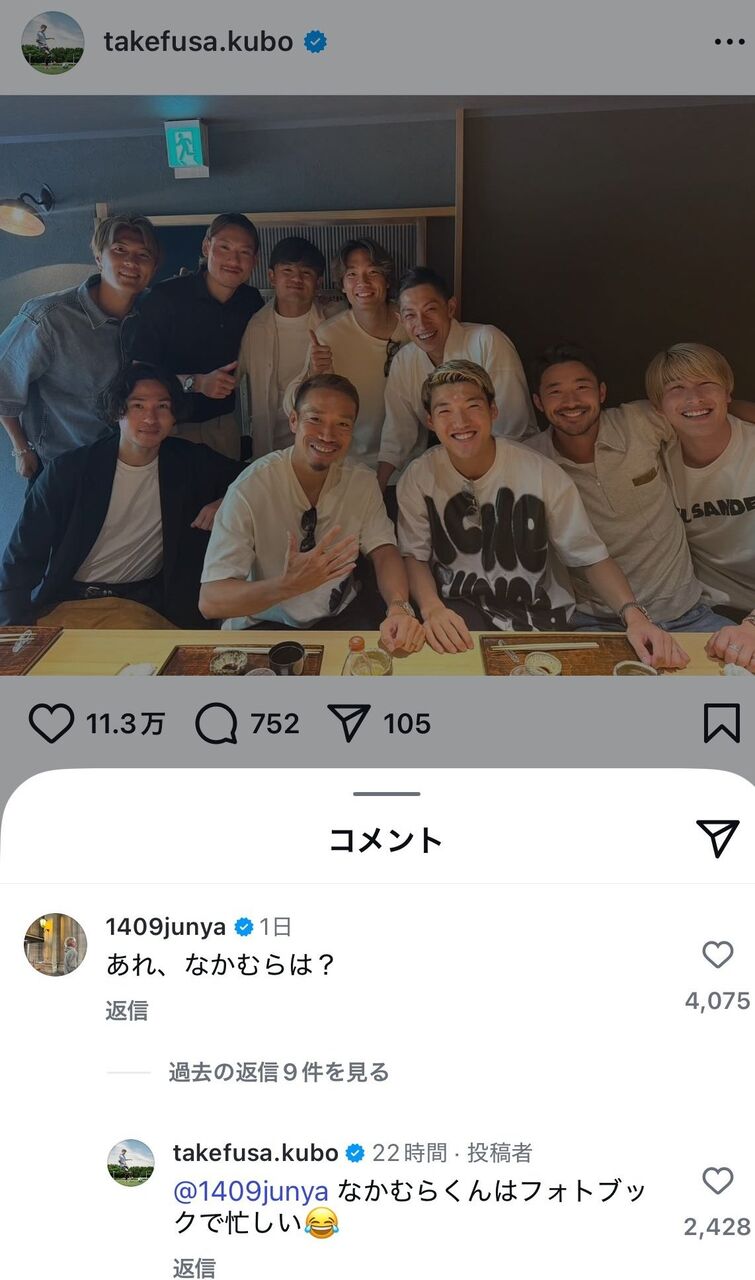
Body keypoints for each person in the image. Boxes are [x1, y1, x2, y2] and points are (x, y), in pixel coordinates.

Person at [397, 359, 688, 668]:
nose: (460, 421)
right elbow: (414, 555)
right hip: (461, 616)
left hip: (542, 619)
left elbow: (589, 555)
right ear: (430, 421)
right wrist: (432, 609)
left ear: (493, 411)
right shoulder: (418, 476)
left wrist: (633, 615)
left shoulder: (540, 471)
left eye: (473, 406)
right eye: (445, 411)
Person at [200, 373, 425, 653]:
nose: (327, 435)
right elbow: (211, 600)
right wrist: (287, 586)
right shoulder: (250, 488)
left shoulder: (361, 482)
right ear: (294, 420)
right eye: (315, 419)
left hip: (341, 617)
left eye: (342, 424)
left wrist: (399, 607)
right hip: (264, 625)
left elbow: (384, 551)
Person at [0, 366, 239, 628]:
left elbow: (256, 476)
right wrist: (14, 627)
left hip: (148, 605)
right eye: (138, 406)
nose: (150, 418)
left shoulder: (190, 462)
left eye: (162, 406)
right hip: (72, 602)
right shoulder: (69, 472)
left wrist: (228, 501)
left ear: (174, 415)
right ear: (117, 411)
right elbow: (21, 557)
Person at [528, 343, 732, 633]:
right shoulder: (531, 461)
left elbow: (707, 410)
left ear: (601, 392)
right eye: (555, 392)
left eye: (582, 387)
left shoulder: (640, 421)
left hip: (687, 614)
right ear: (538, 402)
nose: (571, 401)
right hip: (596, 621)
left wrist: (736, 405)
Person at [0, 214, 160, 479]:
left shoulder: (152, 316)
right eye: (119, 250)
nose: (131, 262)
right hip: (60, 467)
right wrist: (21, 449)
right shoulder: (49, 318)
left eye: (143, 254)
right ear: (99, 258)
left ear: (153, 267)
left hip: (126, 465)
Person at [645, 342, 755, 669]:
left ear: (728, 394)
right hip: (706, 614)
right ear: (658, 405)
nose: (694, 398)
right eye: (676, 388)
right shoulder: (652, 461)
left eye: (706, 384)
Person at [377, 267, 535, 491]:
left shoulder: (487, 341)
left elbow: (512, 428)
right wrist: (378, 488)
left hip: (513, 465)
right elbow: (398, 433)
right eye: (410, 315)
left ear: (450, 307)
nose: (422, 324)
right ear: (400, 319)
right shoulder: (404, 361)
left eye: (430, 310)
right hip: (453, 466)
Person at [128, 214, 264, 459]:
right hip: (167, 424)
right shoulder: (166, 297)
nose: (234, 260)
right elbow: (140, 372)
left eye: (244, 252)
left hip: (223, 425)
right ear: (206, 247)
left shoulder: (251, 301)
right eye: (224, 247)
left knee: (227, 484)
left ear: (254, 260)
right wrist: (198, 383)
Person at [284, 238, 406, 476]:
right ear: (342, 285)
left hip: (409, 462)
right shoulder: (329, 334)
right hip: (351, 466)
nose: (363, 282)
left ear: (387, 280)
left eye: (373, 272)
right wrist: (314, 373)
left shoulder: (411, 322)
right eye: (352, 274)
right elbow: (291, 406)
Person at [237, 235, 342, 460]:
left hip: (321, 442)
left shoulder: (334, 322)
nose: (296, 279)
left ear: (318, 282)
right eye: (287, 270)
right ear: (272, 277)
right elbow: (233, 376)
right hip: (269, 444)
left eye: (306, 273)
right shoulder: (254, 326)